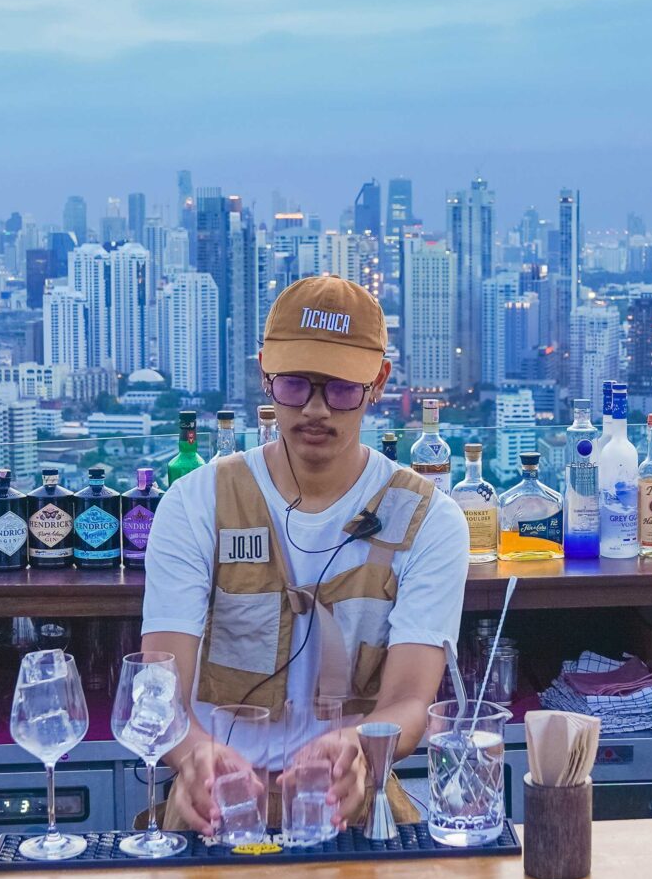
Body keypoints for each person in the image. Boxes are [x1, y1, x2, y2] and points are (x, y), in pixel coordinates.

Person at [143, 275, 468, 835]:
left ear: (378, 382)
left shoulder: (429, 520)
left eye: (340, 388)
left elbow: (411, 699)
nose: (316, 410)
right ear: (264, 372)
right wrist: (194, 756)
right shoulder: (196, 504)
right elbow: (159, 687)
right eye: (295, 385)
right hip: (214, 806)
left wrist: (358, 749)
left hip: (352, 802)